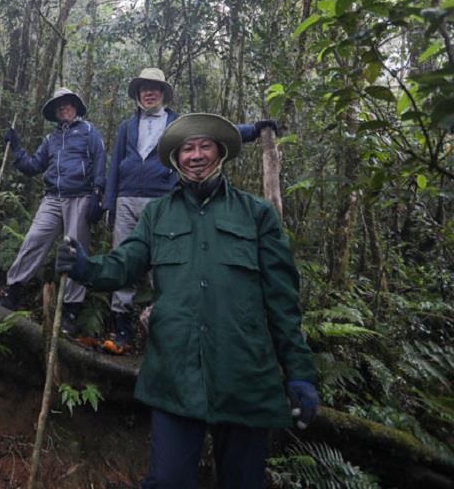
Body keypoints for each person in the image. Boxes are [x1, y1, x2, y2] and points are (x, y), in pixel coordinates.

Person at [55, 113, 318, 488]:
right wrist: (84, 267)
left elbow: (283, 300)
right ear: (176, 159)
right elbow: (124, 263)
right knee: (168, 481)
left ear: (221, 152)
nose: (196, 155)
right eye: (187, 149)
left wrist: (301, 372)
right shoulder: (158, 214)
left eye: (204, 146)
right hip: (175, 375)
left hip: (244, 374)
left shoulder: (255, 214)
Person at [102, 67, 279, 354]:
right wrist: (109, 202)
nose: (149, 93)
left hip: (162, 199)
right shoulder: (126, 126)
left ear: (163, 94)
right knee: (123, 257)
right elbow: (114, 166)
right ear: (138, 95)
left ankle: (163, 329)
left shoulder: (177, 124)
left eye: (154, 89)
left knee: (163, 263)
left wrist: (254, 130)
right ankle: (120, 328)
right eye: (144, 89)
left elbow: (210, 135)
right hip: (126, 198)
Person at [0, 87, 105, 335]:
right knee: (34, 239)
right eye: (59, 107)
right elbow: (33, 166)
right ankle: (14, 290)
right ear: (55, 114)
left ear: (75, 107)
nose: (63, 109)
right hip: (53, 198)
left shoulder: (89, 132)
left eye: (67, 105)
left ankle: (70, 309)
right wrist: (16, 147)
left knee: (74, 250)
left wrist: (98, 197)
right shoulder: (51, 139)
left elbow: (100, 163)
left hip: (79, 196)